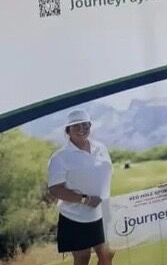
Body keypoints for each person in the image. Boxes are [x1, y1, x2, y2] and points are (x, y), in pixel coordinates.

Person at [47, 109, 114, 265]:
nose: (82, 129)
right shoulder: (60, 157)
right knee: (83, 258)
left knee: (107, 254)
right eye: (76, 126)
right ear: (68, 130)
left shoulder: (101, 148)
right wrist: (85, 199)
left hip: (100, 213)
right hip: (74, 216)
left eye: (86, 125)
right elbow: (55, 189)